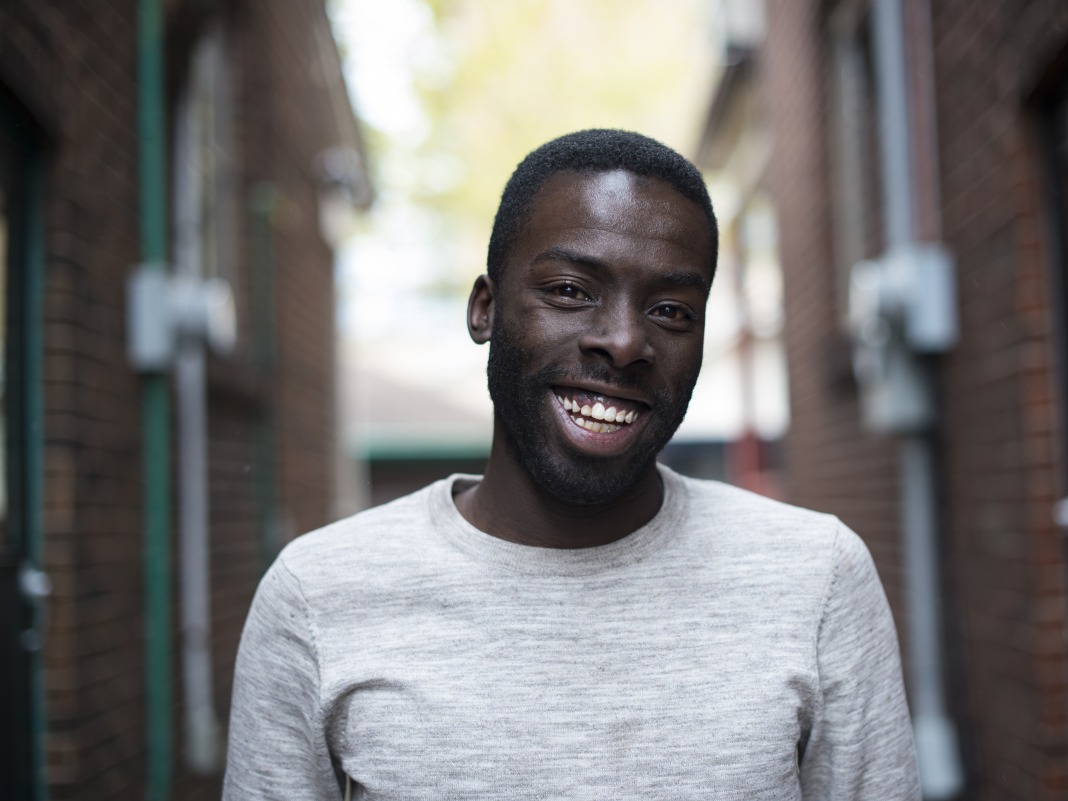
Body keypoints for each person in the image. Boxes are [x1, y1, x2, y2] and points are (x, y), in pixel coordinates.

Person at [223, 129, 920, 800]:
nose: (623, 341)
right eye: (569, 290)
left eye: (671, 309)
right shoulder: (319, 597)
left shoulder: (816, 578)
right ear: (485, 309)